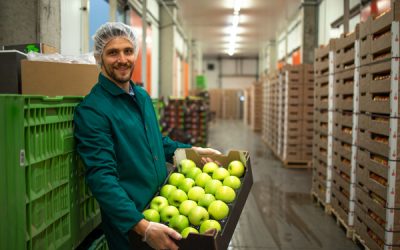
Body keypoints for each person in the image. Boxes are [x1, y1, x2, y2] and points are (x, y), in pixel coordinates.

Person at [74, 22, 221, 250]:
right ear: (100, 57)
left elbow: (156, 143)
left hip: (162, 208)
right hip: (132, 226)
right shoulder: (94, 110)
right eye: (113, 52)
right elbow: (101, 177)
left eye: (128, 51)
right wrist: (142, 226)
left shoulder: (141, 96)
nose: (122, 59)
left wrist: (191, 151)